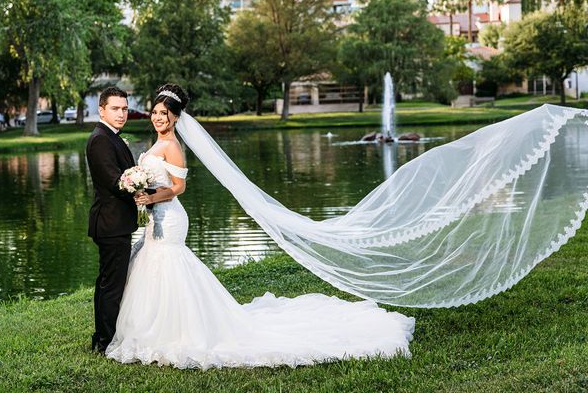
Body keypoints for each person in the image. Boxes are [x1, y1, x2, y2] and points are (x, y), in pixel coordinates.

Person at [105, 84, 415, 369]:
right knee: (152, 265)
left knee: (168, 265)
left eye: (165, 114)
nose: (159, 118)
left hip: (169, 218)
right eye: (156, 113)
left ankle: (178, 331)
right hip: (156, 218)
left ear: (175, 118)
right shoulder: (157, 142)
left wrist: (149, 196)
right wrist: (140, 192)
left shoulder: (172, 145)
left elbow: (178, 187)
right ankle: (156, 328)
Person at [85, 87, 139, 354]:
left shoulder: (112, 137)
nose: (121, 114)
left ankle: (102, 337)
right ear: (102, 110)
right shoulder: (100, 140)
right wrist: (142, 186)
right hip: (110, 223)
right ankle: (105, 341)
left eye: (125, 108)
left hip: (115, 223)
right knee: (111, 285)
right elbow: (115, 182)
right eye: (116, 109)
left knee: (109, 281)